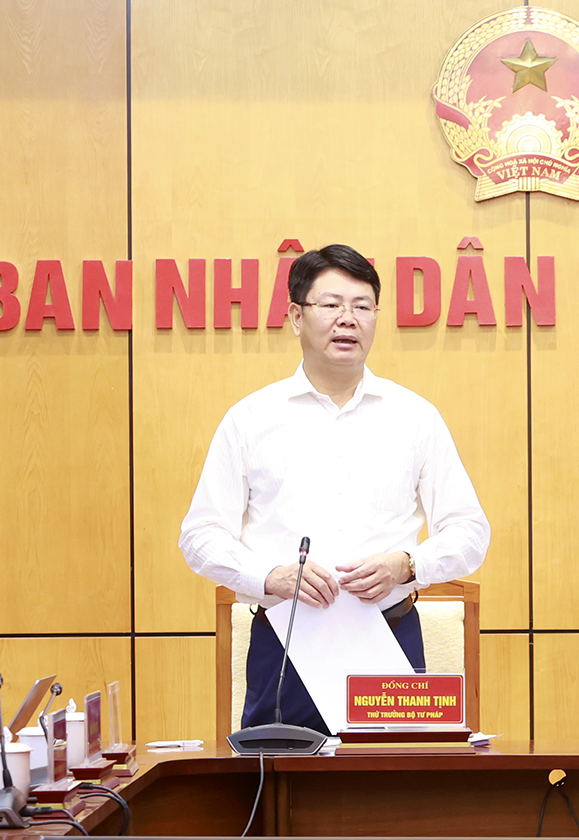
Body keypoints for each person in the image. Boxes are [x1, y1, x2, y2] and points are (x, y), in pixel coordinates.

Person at [180, 244, 491, 735]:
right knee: (277, 778)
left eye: (362, 306)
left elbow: (470, 531)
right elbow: (200, 536)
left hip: (389, 636)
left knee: (392, 780)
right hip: (285, 645)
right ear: (296, 317)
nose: (348, 319)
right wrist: (270, 576)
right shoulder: (251, 419)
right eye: (331, 305)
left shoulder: (415, 417)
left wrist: (408, 564)